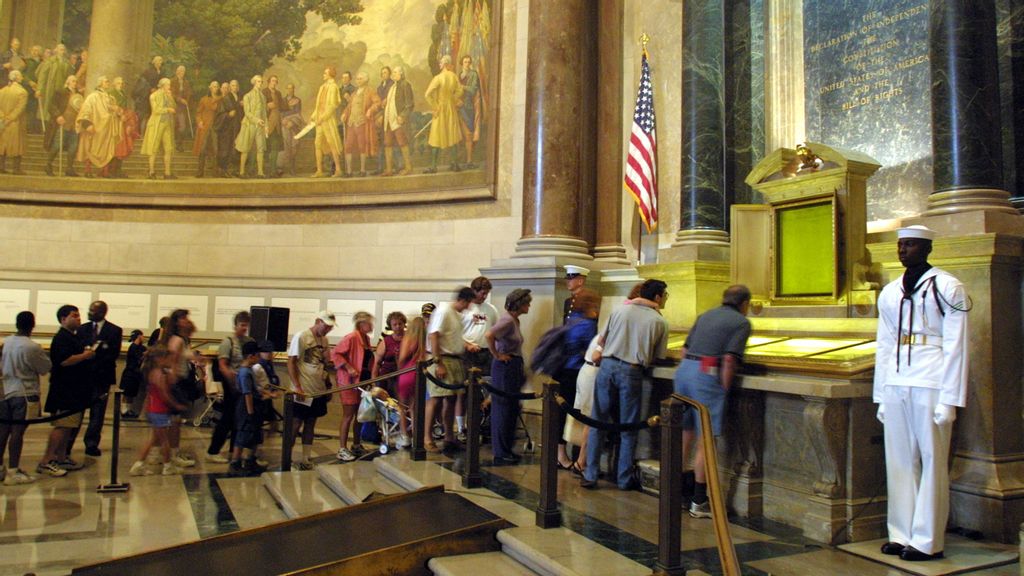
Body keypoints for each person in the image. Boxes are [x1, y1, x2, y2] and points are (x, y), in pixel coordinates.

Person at [874, 225, 969, 562]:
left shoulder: (947, 286)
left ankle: (927, 539)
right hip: (898, 378)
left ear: (927, 248)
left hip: (931, 376)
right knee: (898, 459)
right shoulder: (889, 291)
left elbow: (957, 345)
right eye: (900, 244)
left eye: (910, 244)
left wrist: (949, 398)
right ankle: (900, 533)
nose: (903, 250)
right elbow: (884, 344)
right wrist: (881, 393)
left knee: (931, 458)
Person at [582, 279, 670, 490]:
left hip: (607, 367)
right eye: (665, 294)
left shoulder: (620, 311)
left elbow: (601, 341)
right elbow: (659, 355)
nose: (666, 298)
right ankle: (623, 479)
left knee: (598, 421)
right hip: (631, 371)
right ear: (657, 297)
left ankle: (590, 474)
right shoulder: (659, 321)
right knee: (629, 425)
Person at [675, 285, 752, 518]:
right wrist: (723, 388)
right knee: (706, 440)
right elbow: (729, 359)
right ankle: (699, 501)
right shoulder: (741, 322)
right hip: (706, 373)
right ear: (745, 303)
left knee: (685, 434)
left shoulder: (705, 315)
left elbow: (683, 349)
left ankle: (676, 492)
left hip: (685, 370)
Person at [38, 305, 93, 477]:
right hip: (65, 390)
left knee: (69, 426)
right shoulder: (62, 338)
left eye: (78, 315)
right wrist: (85, 355)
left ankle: (61, 457)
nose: (78, 318)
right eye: (74, 316)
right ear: (63, 319)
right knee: (61, 426)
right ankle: (46, 460)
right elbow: (63, 361)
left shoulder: (72, 337)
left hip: (74, 389)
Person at [0, 311, 52, 485]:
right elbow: (45, 367)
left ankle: (1, 467)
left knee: (4, 430)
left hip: (6, 390)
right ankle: (13, 470)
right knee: (17, 432)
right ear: (32, 325)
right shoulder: (31, 346)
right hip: (24, 392)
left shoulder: (6, 342)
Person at [485, 289, 532, 464]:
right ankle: (501, 450)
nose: (529, 306)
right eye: (527, 303)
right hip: (505, 367)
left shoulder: (514, 320)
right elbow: (489, 335)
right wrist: (497, 354)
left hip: (512, 366)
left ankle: (505, 449)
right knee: (503, 408)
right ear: (519, 304)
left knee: (511, 408)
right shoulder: (507, 320)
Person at [556, 288, 600, 470]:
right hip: (573, 371)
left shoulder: (571, 319)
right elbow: (591, 351)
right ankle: (564, 455)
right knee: (571, 412)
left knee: (560, 413)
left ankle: (560, 452)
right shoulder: (587, 325)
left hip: (560, 369)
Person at [425, 287, 475, 451]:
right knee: (437, 399)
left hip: (454, 360)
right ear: (463, 300)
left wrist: (466, 344)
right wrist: (438, 362)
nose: (469, 307)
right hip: (443, 360)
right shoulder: (444, 311)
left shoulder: (456, 314)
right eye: (468, 303)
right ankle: (427, 438)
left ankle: (449, 437)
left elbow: (453, 337)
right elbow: (434, 335)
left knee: (451, 399)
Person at [287, 310, 336, 470]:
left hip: (318, 389)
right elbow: (291, 361)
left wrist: (328, 385)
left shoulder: (324, 340)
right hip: (304, 389)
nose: (327, 329)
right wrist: (298, 387)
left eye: (330, 327)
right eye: (326, 326)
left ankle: (305, 457)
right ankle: (286, 456)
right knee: (296, 423)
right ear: (318, 321)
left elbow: (324, 364)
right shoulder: (302, 337)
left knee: (311, 423)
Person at [128, 345, 189, 476]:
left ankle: (139, 464)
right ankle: (167, 466)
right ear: (160, 359)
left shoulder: (153, 372)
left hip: (154, 409)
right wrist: (176, 405)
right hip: (159, 410)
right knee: (164, 441)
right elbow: (164, 394)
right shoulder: (159, 374)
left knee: (153, 439)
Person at [75, 301, 123, 458]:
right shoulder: (82, 329)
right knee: (76, 412)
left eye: (93, 311)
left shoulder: (114, 330)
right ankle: (68, 443)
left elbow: (113, 353)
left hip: (102, 376)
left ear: (102, 312)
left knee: (98, 413)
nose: (89, 313)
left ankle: (91, 443)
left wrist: (95, 356)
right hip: (83, 377)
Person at [206, 311, 254, 464]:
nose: (244, 328)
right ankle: (213, 450)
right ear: (236, 326)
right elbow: (223, 366)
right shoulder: (228, 342)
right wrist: (233, 383)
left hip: (244, 384)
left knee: (239, 420)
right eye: (242, 325)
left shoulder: (249, 341)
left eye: (246, 325)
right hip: (232, 386)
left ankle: (235, 450)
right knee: (227, 419)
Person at [159, 309, 199, 469]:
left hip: (180, 382)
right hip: (176, 383)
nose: (186, 320)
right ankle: (172, 455)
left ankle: (166, 453)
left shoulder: (182, 339)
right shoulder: (177, 340)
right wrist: (172, 382)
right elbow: (172, 362)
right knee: (173, 421)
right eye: (183, 318)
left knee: (173, 421)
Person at [332, 311, 375, 462]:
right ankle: (342, 448)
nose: (371, 325)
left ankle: (356, 444)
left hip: (362, 382)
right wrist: (349, 367)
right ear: (361, 324)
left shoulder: (366, 339)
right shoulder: (351, 338)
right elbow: (336, 354)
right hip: (349, 383)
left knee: (359, 416)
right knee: (348, 415)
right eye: (369, 322)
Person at [459, 276, 498, 439]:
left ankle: (483, 424)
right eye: (482, 293)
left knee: (488, 389)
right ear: (474, 291)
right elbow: (456, 333)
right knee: (467, 391)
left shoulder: (491, 309)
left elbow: (495, 331)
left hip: (486, 353)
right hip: (468, 354)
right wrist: (467, 345)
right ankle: (463, 427)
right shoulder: (466, 309)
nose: (484, 296)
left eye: (487, 293)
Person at [228, 341, 267, 476]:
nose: (259, 357)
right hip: (246, 407)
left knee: (254, 434)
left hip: (252, 405)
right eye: (257, 355)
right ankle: (235, 461)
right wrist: (250, 412)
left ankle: (250, 459)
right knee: (243, 434)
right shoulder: (245, 372)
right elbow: (247, 393)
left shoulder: (248, 370)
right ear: (251, 356)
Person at [423, 54, 463, 173]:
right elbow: (460, 91)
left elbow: (427, 94)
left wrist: (435, 107)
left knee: (436, 137)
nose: (439, 65)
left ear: (445, 64)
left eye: (441, 63)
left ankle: (434, 166)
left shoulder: (438, 78)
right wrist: (453, 99)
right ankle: (455, 164)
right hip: (451, 109)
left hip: (440, 110)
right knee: (452, 135)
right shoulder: (454, 76)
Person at [75, 76, 121, 178]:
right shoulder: (93, 97)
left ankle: (104, 171)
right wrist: (87, 124)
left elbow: (115, 111)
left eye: (108, 82)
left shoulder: (110, 97)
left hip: (107, 129)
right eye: (106, 81)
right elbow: (85, 110)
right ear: (100, 83)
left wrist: (116, 110)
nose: (108, 83)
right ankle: (88, 170)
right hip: (95, 127)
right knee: (91, 147)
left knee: (106, 149)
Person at [340, 72, 381, 178]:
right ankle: (349, 171)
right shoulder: (354, 93)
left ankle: (363, 170)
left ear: (366, 80)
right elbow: (349, 107)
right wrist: (344, 114)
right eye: (357, 79)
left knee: (362, 146)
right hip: (351, 123)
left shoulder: (370, 91)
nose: (358, 81)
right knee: (348, 146)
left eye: (360, 79)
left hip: (362, 123)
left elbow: (377, 103)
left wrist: (370, 110)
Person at [396, 316, 426, 448]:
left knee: (402, 407)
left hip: (406, 373)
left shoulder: (408, 339)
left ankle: (404, 435)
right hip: (420, 375)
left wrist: (399, 368)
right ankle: (416, 435)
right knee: (415, 407)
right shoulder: (425, 341)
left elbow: (402, 358)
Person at [43, 75, 81, 177]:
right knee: (56, 145)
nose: (75, 83)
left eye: (76, 81)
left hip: (74, 124)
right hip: (62, 123)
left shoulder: (79, 95)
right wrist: (58, 116)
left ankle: (69, 168)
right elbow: (51, 106)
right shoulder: (60, 92)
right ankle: (48, 165)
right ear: (68, 82)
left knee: (73, 147)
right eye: (73, 81)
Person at [381, 66, 414, 176]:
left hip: (398, 121)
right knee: (388, 144)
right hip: (389, 121)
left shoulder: (405, 85)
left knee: (403, 143)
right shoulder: (392, 87)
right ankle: (389, 169)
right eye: (393, 73)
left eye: (395, 72)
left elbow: (409, 104)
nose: (393, 75)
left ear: (401, 74)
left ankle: (408, 167)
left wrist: (403, 116)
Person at [141, 77, 176, 179]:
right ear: (163, 85)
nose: (169, 87)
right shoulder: (153, 96)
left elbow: (174, 107)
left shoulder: (168, 95)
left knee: (168, 149)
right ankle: (151, 172)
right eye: (168, 85)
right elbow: (156, 110)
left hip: (167, 124)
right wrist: (168, 109)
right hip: (156, 124)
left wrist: (170, 98)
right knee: (153, 148)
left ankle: (167, 173)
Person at [311, 66, 343, 178]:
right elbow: (319, 104)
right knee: (317, 144)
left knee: (332, 143)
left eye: (325, 73)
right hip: (319, 121)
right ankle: (319, 170)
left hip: (328, 120)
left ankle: (338, 169)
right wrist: (314, 116)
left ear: (330, 74)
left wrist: (323, 117)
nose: (323, 75)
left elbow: (332, 105)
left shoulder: (333, 87)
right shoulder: (322, 87)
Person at [235, 75, 267, 178]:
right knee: (245, 148)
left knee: (260, 148)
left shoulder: (263, 97)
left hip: (260, 126)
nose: (260, 84)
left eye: (261, 82)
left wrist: (266, 124)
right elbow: (247, 113)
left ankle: (260, 172)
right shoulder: (247, 96)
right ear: (253, 82)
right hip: (249, 125)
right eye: (258, 82)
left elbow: (264, 113)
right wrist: (257, 120)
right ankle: (241, 172)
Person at [0, 70, 28, 175]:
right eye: (21, 76)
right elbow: (20, 109)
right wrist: (10, 118)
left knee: (2, 145)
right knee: (17, 146)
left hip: (2, 122)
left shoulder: (2, 91)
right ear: (16, 78)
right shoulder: (22, 92)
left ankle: (1, 167)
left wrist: (3, 117)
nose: (22, 78)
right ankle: (16, 169)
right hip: (15, 122)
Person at [373, 311, 407, 398]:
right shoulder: (386, 341)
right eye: (395, 324)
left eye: (400, 324)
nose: (398, 327)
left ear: (404, 324)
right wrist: (374, 382)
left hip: (404, 377)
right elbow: (377, 363)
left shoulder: (410, 339)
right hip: (386, 379)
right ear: (391, 326)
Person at [193, 80, 221, 177]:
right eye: (213, 86)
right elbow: (198, 113)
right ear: (210, 88)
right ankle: (200, 172)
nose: (215, 88)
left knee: (215, 149)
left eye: (217, 86)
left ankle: (215, 173)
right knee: (202, 148)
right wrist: (199, 121)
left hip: (215, 127)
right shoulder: (204, 99)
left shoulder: (220, 99)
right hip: (204, 127)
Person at [458, 55, 481, 167]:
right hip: (458, 106)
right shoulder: (458, 75)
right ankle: (463, 160)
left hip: (468, 106)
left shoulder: (473, 74)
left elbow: (473, 89)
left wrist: (462, 87)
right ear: (461, 63)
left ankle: (469, 160)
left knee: (469, 133)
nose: (467, 64)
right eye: (465, 62)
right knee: (461, 134)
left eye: (468, 62)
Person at [120, 329, 146, 419]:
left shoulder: (141, 347)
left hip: (136, 374)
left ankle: (128, 409)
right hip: (130, 373)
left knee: (132, 393)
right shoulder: (133, 347)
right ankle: (124, 410)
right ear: (139, 336)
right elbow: (136, 359)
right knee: (127, 392)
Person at [279, 83, 303, 176]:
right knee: (286, 146)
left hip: (294, 125)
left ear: (294, 89)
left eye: (292, 88)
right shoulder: (283, 100)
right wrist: (285, 120)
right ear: (286, 89)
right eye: (288, 88)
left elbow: (297, 113)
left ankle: (292, 168)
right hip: (285, 125)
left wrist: (291, 122)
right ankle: (282, 168)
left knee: (294, 147)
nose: (290, 90)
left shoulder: (298, 100)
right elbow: (281, 112)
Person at [263, 75, 284, 177]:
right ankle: (262, 171)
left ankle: (273, 171)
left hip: (276, 124)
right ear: (268, 82)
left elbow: (283, 107)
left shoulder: (278, 93)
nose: (274, 83)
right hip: (266, 124)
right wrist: (266, 106)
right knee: (264, 148)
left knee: (275, 147)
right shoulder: (264, 92)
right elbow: (258, 107)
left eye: (276, 81)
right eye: (272, 81)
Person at [170, 65, 192, 150]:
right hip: (173, 106)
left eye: (183, 71)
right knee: (172, 126)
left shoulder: (186, 82)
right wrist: (180, 99)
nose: (182, 73)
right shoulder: (172, 81)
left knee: (182, 126)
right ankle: (171, 144)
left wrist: (187, 99)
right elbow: (171, 93)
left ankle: (179, 144)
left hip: (182, 108)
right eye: (181, 71)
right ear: (177, 72)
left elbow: (189, 92)